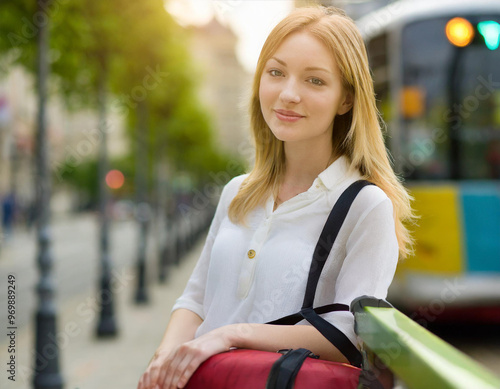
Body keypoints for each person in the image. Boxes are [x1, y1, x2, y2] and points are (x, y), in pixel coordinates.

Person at [138, 5, 415, 389]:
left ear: (347, 99)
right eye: (276, 72)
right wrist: (164, 359)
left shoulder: (366, 205)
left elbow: (349, 332)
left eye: (314, 81)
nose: (288, 94)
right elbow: (196, 298)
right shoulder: (238, 192)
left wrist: (232, 335)